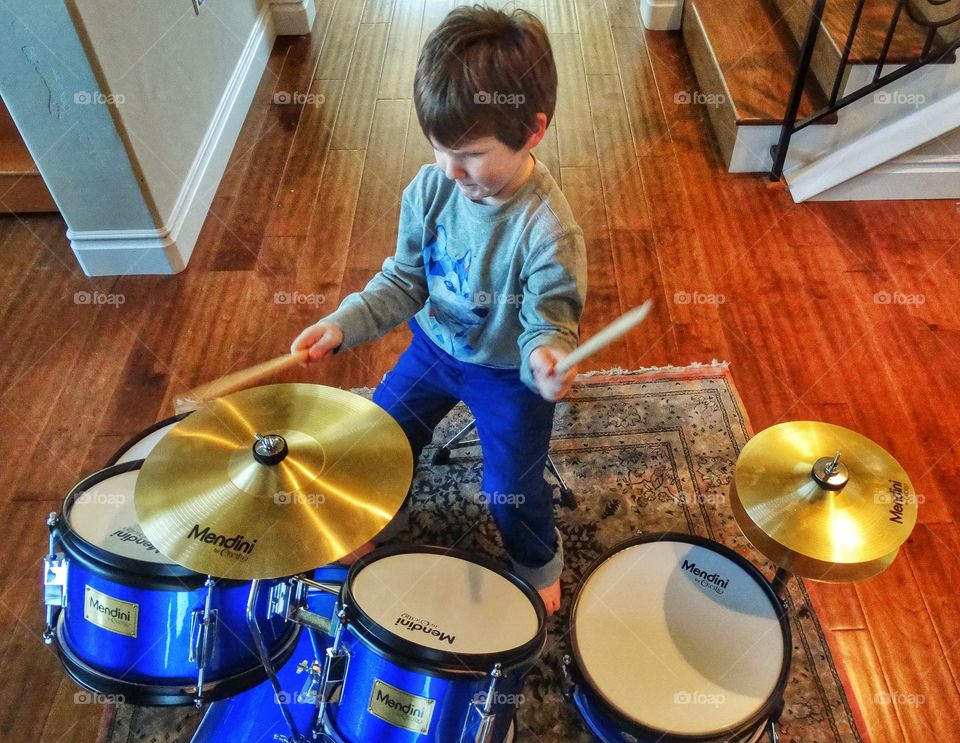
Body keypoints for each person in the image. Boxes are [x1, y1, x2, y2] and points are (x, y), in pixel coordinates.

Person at [291, 5, 586, 615]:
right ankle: (376, 520)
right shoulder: (431, 189)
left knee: (510, 488)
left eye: (472, 154)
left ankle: (536, 561)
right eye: (438, 149)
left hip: (508, 374)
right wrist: (343, 323)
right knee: (378, 439)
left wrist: (546, 358)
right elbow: (403, 280)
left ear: (533, 131)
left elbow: (548, 320)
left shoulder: (548, 229)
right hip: (434, 347)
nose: (452, 170)